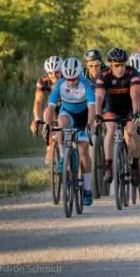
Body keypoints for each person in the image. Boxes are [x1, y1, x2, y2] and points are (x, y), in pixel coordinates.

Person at [44, 57, 96, 206]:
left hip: (84, 116)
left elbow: (92, 108)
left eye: (73, 79)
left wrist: (90, 124)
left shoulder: (87, 84)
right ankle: (62, 156)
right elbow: (51, 107)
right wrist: (47, 124)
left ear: (79, 75)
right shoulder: (60, 84)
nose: (71, 82)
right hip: (68, 114)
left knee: (83, 151)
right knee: (60, 123)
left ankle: (86, 189)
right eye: (68, 79)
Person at [95, 48, 140, 187]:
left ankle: (135, 164)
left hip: (128, 108)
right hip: (112, 109)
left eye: (122, 64)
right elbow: (99, 97)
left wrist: (136, 113)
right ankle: (108, 166)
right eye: (116, 65)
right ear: (110, 64)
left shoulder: (132, 73)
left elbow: (135, 96)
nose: (120, 68)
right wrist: (98, 114)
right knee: (110, 128)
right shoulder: (103, 75)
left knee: (132, 131)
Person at [31, 56, 62, 163]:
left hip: (68, 106)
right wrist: (36, 118)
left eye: (56, 72)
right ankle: (49, 146)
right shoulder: (43, 81)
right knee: (46, 115)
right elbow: (38, 101)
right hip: (53, 106)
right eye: (50, 73)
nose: (53, 75)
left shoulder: (68, 78)